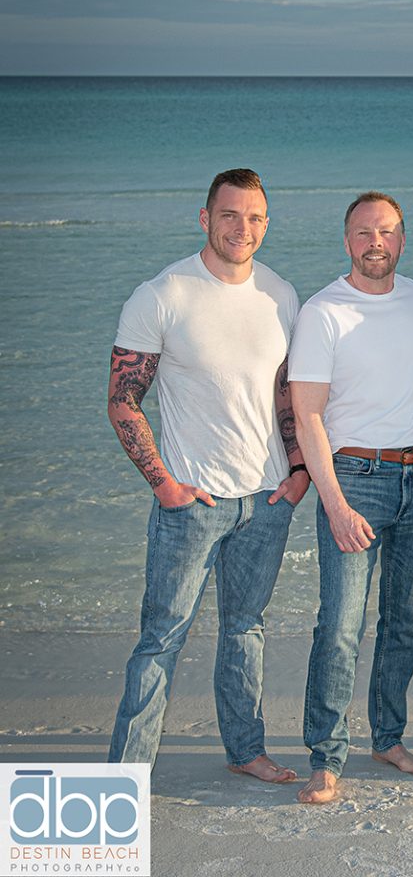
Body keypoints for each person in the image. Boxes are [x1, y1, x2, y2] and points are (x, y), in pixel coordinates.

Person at [107, 168, 309, 783]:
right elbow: (123, 399)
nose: (241, 228)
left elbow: (284, 394)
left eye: (253, 217)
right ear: (205, 218)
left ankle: (245, 751)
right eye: (229, 215)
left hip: (268, 499)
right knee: (162, 637)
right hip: (192, 502)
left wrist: (298, 469)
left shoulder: (282, 295)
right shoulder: (163, 294)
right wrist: (165, 484)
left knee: (246, 629)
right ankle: (125, 776)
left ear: (266, 224)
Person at [288, 191, 413, 804]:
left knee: (405, 621)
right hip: (355, 479)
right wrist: (334, 503)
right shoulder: (323, 312)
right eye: (362, 232)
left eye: (386, 232)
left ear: (402, 240)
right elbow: (307, 416)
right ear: (346, 241)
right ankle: (327, 757)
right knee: (341, 625)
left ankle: (388, 736)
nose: (375, 242)